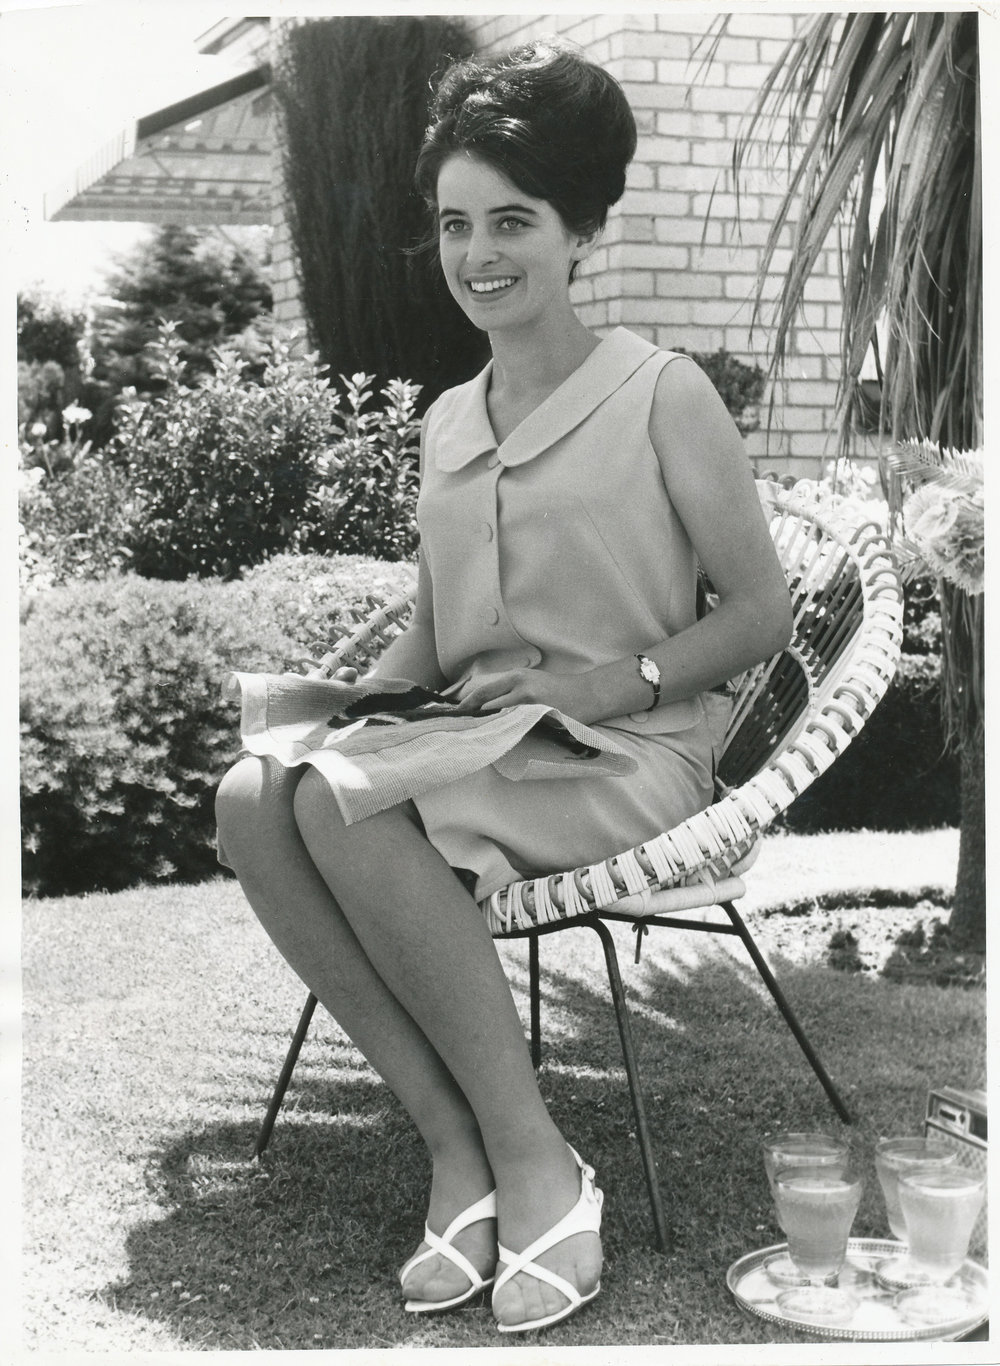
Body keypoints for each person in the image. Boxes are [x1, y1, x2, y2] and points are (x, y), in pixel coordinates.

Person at [215, 38, 792, 1335]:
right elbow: (435, 636)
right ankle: (455, 1144)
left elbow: (764, 613)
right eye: (455, 223)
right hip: (480, 743)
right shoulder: (447, 419)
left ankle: (535, 1154)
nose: (480, 254)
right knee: (260, 793)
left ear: (583, 226)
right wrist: (340, 706)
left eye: (513, 221)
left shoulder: (664, 395)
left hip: (626, 756)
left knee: (339, 800)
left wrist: (620, 672)